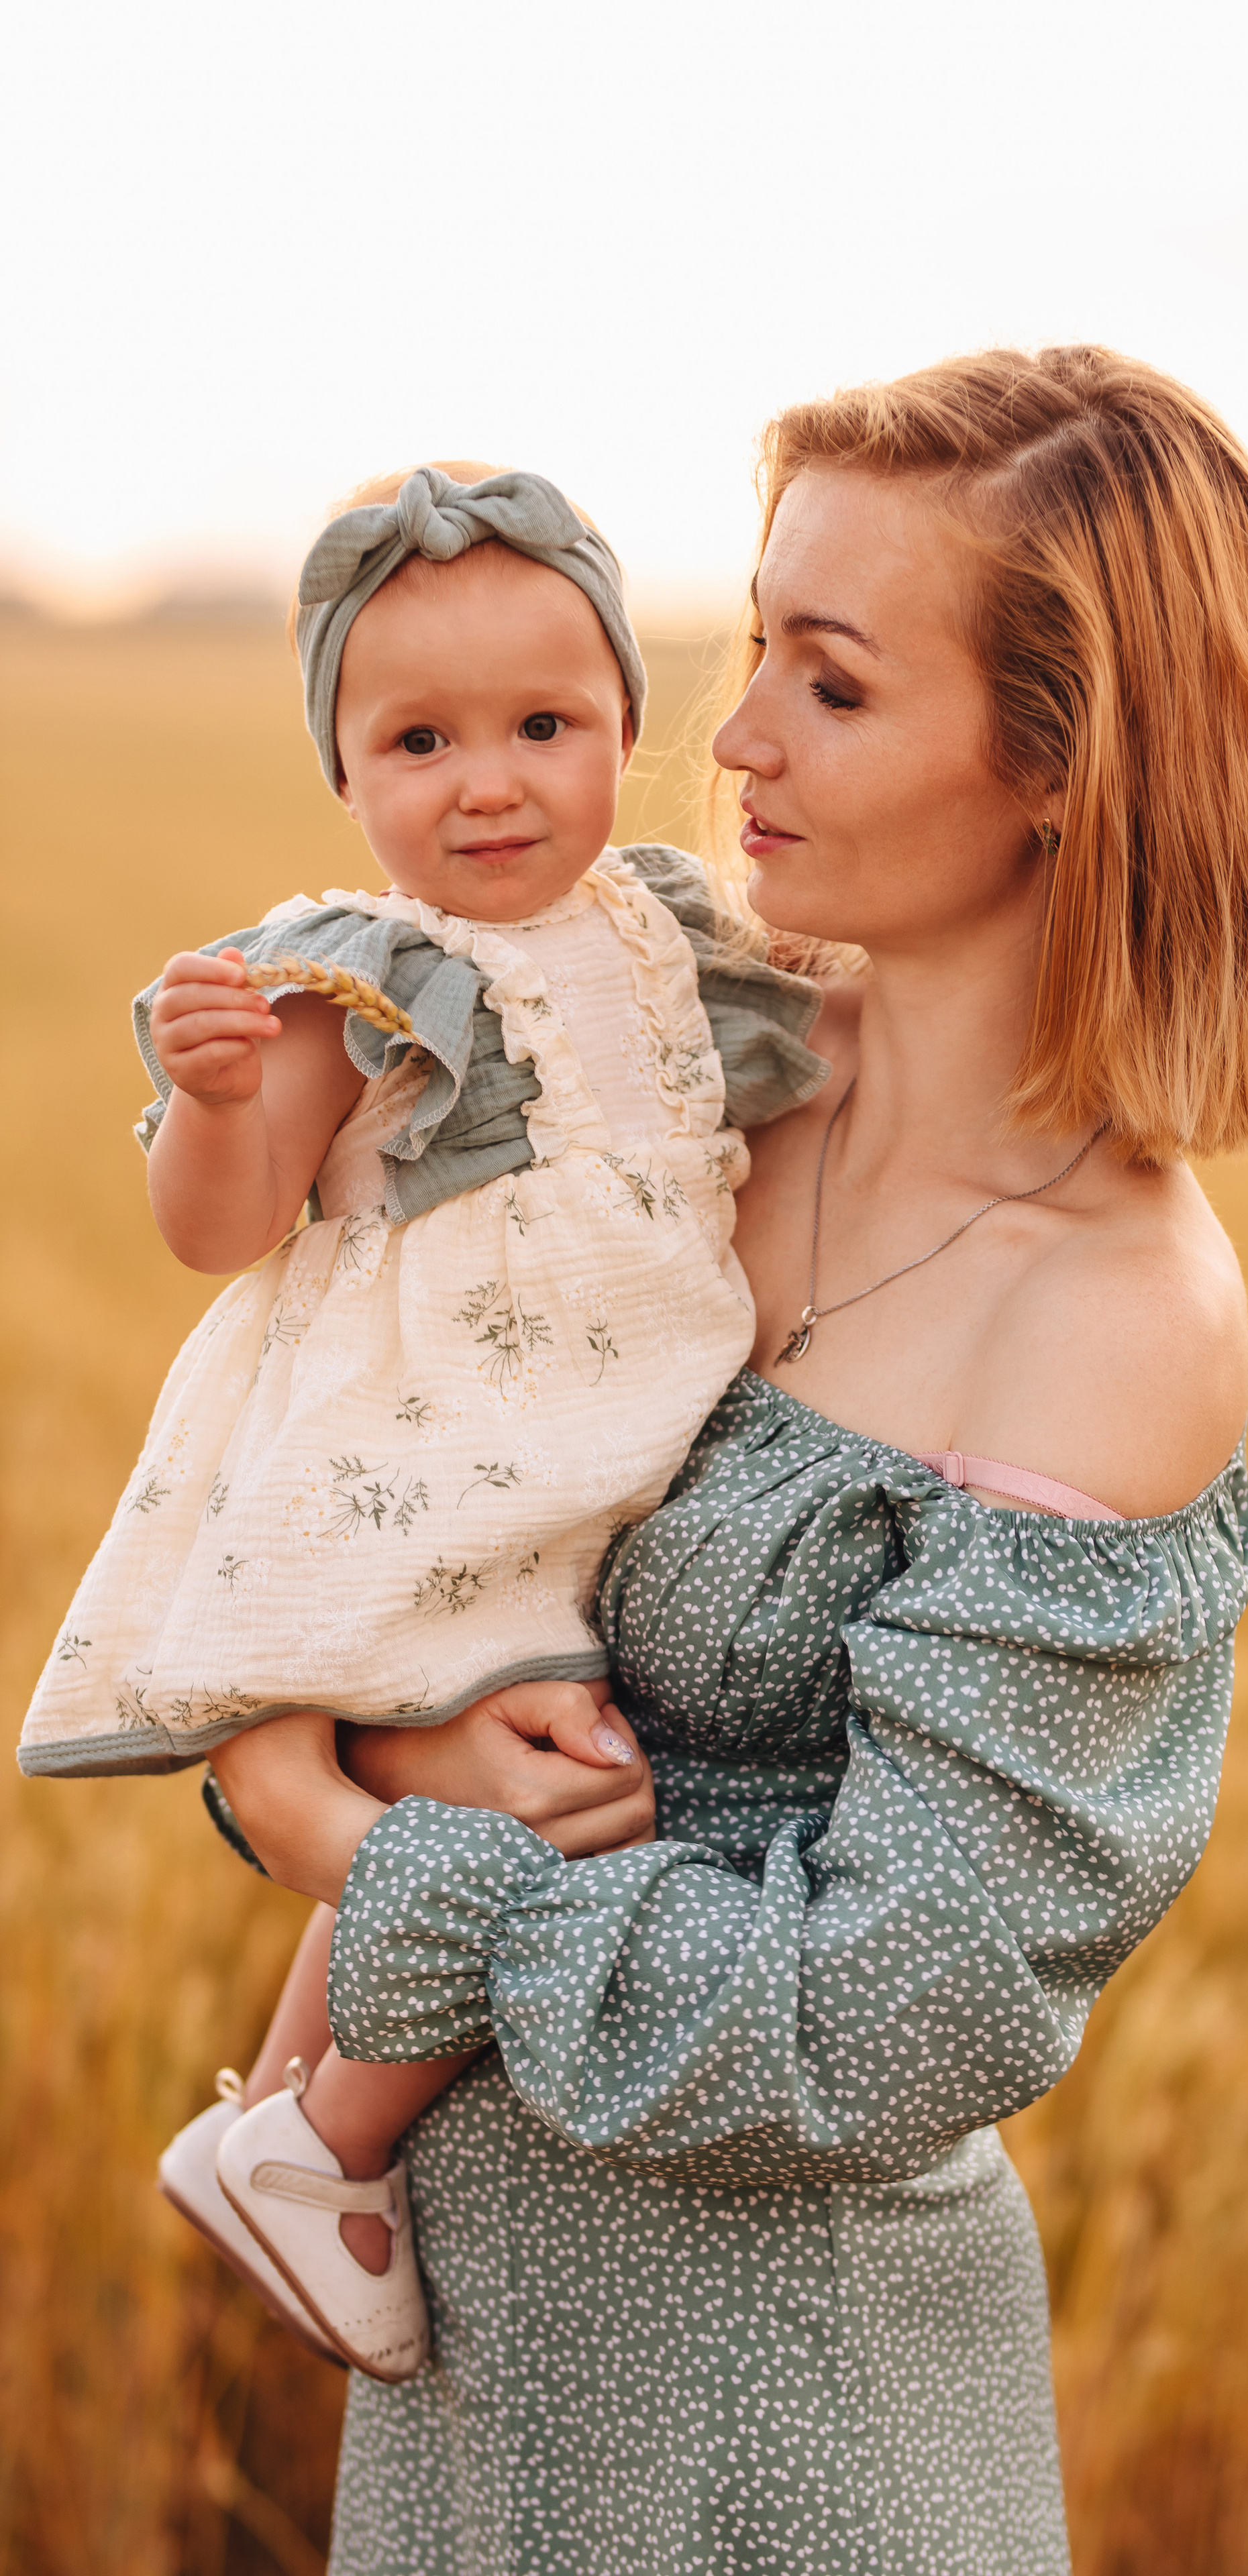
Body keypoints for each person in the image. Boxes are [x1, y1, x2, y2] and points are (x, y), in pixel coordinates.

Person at [208, 345, 1248, 2575]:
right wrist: (306, 1740)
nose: (736, 730)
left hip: (785, 2425)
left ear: (1070, 762)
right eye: (757, 637)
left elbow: (877, 2029)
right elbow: (375, 1470)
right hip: (481, 2373)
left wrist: (370, 1843)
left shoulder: (1118, 1318)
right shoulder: (685, 1068)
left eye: (835, 685)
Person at [17, 463, 825, 2378]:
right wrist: (219, 1107)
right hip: (432, 1462)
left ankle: (286, 2119)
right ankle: (335, 2134)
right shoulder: (354, 978)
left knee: (531, 1763)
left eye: (545, 726)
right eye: (418, 739)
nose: (487, 781)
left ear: (632, 730)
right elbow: (225, 1237)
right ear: (344, 777)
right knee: (546, 1776)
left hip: (602, 1444)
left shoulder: (670, 941)